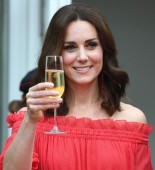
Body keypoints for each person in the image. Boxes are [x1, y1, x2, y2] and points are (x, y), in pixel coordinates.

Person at [0, 3, 153, 170]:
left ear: (104, 51)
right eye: (70, 47)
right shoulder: (29, 119)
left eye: (91, 45)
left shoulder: (132, 120)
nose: (82, 57)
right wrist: (30, 121)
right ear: (56, 54)